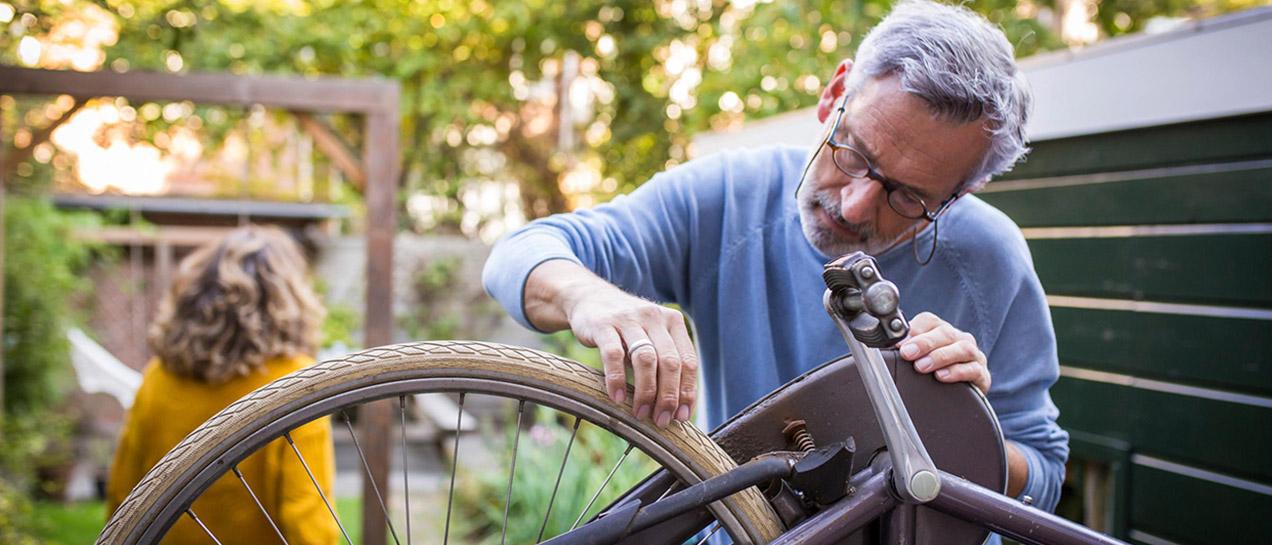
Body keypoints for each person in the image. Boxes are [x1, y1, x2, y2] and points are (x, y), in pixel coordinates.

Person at [484, 0, 1069, 521]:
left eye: (909, 197)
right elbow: (519, 255)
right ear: (834, 95)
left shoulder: (991, 260)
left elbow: (1041, 474)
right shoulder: (729, 196)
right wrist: (593, 298)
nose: (855, 203)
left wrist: (964, 425)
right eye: (854, 155)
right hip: (745, 530)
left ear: (959, 195)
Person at [107, 225, 338, 545]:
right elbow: (307, 517)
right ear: (287, 298)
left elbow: (124, 494)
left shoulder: (158, 377)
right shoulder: (296, 382)